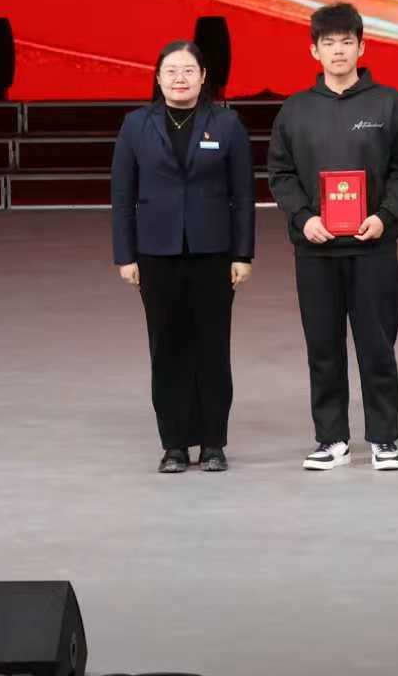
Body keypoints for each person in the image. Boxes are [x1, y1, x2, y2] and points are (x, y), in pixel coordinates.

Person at [265, 2, 398, 473]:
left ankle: (384, 439)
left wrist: (385, 215)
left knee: (377, 346)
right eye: (328, 43)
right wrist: (303, 217)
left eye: (346, 42)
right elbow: (280, 173)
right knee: (323, 347)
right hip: (315, 249)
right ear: (314, 51)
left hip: (373, 247)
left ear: (362, 47)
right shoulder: (295, 110)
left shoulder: (388, 104)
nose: (338, 51)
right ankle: (331, 439)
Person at [110, 40, 256, 474]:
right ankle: (173, 444)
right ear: (158, 78)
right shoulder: (136, 125)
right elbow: (122, 196)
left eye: (188, 70)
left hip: (214, 254)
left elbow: (244, 196)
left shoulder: (227, 124)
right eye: (171, 70)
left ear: (203, 76)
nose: (180, 78)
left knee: (213, 347)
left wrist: (243, 253)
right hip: (156, 254)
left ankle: (213, 443)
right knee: (167, 347)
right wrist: (125, 255)